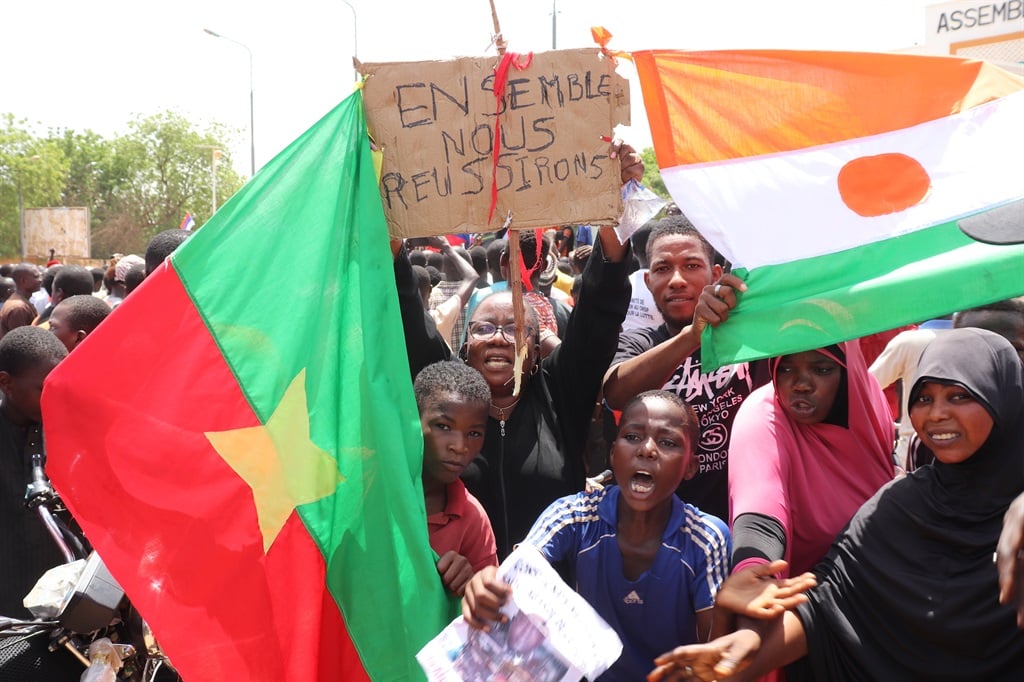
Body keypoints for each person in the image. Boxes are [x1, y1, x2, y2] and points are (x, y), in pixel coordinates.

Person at [649, 328, 1024, 681]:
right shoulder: (900, 506)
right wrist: (744, 650)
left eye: (959, 395)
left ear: (1003, 397)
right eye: (924, 398)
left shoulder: (867, 407)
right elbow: (826, 603)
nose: (937, 413)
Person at [397, 144, 639, 558]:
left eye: (515, 329)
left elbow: (598, 314)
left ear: (537, 344)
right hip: (459, 595)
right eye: (484, 327)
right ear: (465, 342)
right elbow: (403, 312)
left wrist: (612, 202)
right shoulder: (443, 390)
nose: (498, 337)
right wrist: (391, 204)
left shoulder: (561, 393)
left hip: (550, 597)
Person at [462, 391, 731, 681]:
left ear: (691, 465)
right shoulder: (574, 515)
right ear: (613, 455)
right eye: (633, 437)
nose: (647, 450)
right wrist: (488, 584)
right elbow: (520, 567)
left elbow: (713, 651)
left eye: (668, 442)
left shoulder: (706, 537)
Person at [603, 216, 770, 520]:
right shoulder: (637, 344)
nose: (677, 279)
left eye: (691, 266)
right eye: (663, 268)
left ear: (716, 274)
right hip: (648, 529)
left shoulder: (751, 343)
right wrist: (692, 337)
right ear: (647, 280)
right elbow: (615, 392)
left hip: (738, 520)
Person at [729, 343, 895, 580]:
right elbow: (760, 510)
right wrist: (755, 573)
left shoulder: (867, 398)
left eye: (822, 370)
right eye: (786, 369)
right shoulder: (762, 417)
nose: (801, 385)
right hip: (807, 601)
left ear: (848, 372)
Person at [0, 326, 82, 679]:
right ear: (6, 383)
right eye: (43, 389)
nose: (54, 398)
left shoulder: (71, 429)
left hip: (67, 627)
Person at [414, 360, 498, 596]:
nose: (459, 447)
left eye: (473, 433)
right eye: (443, 426)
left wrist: (470, 583)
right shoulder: (374, 490)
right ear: (413, 420)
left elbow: (489, 606)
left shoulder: (472, 518)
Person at [0, 264, 43, 339]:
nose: (40, 280)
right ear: (23, 281)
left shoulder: (21, 302)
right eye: (36, 277)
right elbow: (20, 340)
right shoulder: (18, 308)